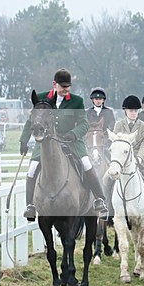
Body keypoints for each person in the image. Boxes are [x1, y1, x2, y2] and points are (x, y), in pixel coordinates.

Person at [19, 69, 108, 221]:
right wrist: (23, 140)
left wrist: (73, 134)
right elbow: (31, 121)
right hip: (46, 144)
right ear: (54, 84)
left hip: (71, 142)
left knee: (86, 164)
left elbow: (84, 124)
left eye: (68, 87)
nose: (66, 90)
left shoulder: (76, 101)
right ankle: (30, 206)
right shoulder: (41, 98)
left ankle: (99, 199)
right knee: (32, 169)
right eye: (63, 86)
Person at [112, 95, 144, 219]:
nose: (134, 113)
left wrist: (139, 158)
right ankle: (108, 208)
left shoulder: (143, 125)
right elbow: (115, 143)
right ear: (125, 111)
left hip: (141, 158)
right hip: (122, 159)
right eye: (131, 111)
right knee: (106, 178)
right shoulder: (119, 125)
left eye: (136, 111)